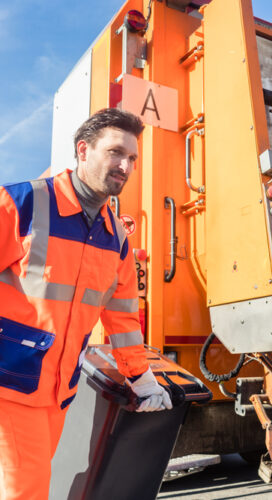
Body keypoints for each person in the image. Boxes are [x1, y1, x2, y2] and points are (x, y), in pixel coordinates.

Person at [0, 108, 172, 500]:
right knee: (24, 491)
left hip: (59, 392)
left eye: (131, 158)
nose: (125, 165)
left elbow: (122, 319)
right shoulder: (22, 204)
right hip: (9, 382)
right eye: (115, 153)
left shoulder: (117, 239)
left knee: (34, 481)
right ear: (83, 150)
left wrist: (140, 377)